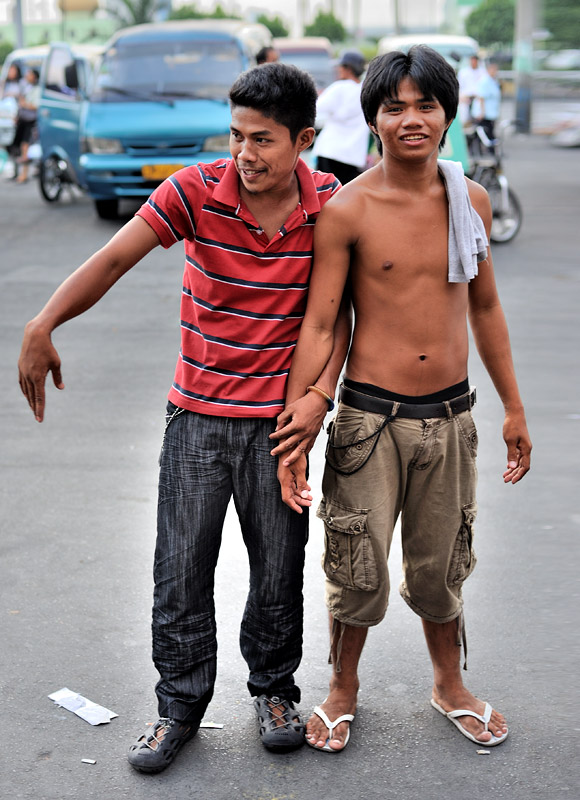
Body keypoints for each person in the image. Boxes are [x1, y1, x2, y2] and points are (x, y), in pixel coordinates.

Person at [18, 63, 350, 774]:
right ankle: (179, 707)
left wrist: (315, 400)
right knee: (180, 572)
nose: (244, 154)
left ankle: (274, 693)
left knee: (276, 571)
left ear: (304, 140)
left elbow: (338, 317)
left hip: (278, 428)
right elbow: (113, 260)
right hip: (195, 419)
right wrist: (44, 322)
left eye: (262, 140)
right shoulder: (195, 191)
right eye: (235, 136)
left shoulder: (328, 201)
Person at [270, 45, 531, 753]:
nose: (411, 119)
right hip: (368, 421)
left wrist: (512, 406)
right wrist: (298, 426)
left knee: (442, 563)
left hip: (450, 416)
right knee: (354, 565)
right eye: (395, 107)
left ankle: (449, 685)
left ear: (447, 115)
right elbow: (321, 323)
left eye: (425, 105)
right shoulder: (348, 210)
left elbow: (485, 309)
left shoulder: (468, 198)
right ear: (373, 120)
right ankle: (341, 689)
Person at [313, 50, 370, 185]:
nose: (338, 69)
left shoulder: (338, 88)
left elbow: (315, 108)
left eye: (341, 66)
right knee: (347, 195)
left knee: (326, 195)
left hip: (330, 151)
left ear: (348, 68)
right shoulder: (365, 90)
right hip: (353, 155)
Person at [10, 67, 40, 183]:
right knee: (17, 147)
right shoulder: (26, 87)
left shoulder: (37, 89)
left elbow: (35, 105)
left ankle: (24, 174)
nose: (27, 75)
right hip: (23, 120)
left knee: (25, 148)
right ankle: (18, 172)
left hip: (31, 121)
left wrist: (24, 104)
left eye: (30, 73)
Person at [473, 58, 501, 148]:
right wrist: (482, 112)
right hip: (484, 113)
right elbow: (481, 97)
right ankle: (486, 151)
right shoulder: (484, 81)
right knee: (483, 133)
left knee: (488, 132)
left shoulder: (493, 81)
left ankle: (489, 151)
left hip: (490, 113)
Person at [457, 53, 485, 125]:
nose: (473, 62)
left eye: (475, 60)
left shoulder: (483, 72)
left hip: (478, 97)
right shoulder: (463, 72)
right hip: (466, 97)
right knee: (464, 116)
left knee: (477, 117)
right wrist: (461, 97)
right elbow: (459, 86)